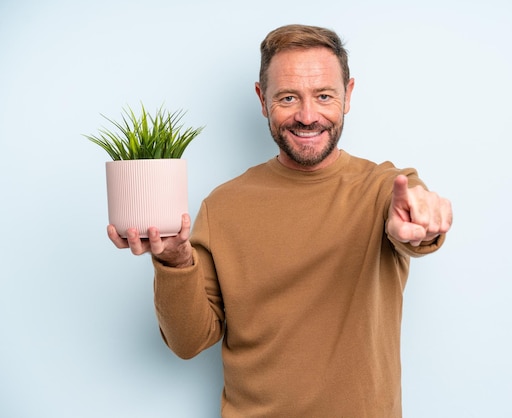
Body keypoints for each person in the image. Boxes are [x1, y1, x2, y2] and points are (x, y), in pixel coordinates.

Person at [108, 24, 452, 417]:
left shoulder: (385, 190)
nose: (308, 116)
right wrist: (174, 261)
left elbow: (413, 221)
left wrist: (422, 223)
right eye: (288, 98)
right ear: (261, 98)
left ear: (349, 94)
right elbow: (187, 342)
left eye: (324, 96)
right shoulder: (223, 206)